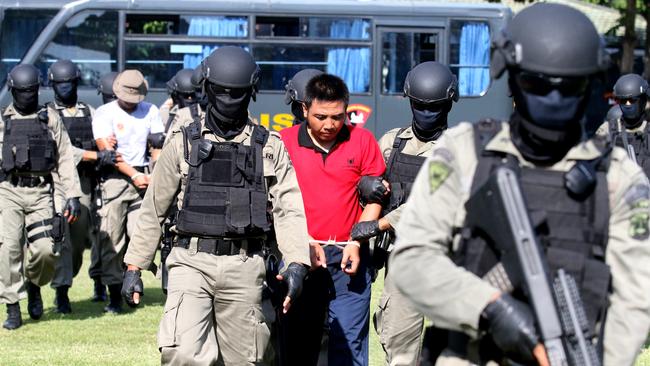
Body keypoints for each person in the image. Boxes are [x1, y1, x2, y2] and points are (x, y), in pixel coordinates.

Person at [390, 4, 650, 365]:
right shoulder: (464, 154)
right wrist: (493, 310)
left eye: (569, 86)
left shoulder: (619, 179)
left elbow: (636, 298)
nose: (554, 99)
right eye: (537, 83)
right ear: (512, 79)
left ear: (589, 86)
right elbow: (411, 260)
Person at [120, 46, 310, 365]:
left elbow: (288, 208)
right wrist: (134, 266)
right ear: (206, 88)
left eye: (236, 93)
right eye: (221, 92)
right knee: (181, 353)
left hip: (245, 263)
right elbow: (155, 207)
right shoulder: (182, 142)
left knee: (249, 359)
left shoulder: (269, 147)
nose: (227, 100)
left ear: (251, 92)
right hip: (190, 261)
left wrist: (296, 262)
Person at [353, 61, 459, 366]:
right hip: (401, 258)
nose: (426, 114)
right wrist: (366, 185)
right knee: (399, 343)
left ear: (448, 104)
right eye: (419, 107)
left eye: (435, 108)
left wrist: (380, 224)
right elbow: (364, 178)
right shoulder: (392, 142)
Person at [279, 73, 386, 366]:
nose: (329, 125)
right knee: (299, 344)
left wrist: (357, 240)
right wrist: (301, 245)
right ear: (304, 109)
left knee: (349, 346)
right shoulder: (282, 142)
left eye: (337, 117)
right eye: (320, 116)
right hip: (301, 258)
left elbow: (376, 195)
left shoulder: (362, 140)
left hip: (349, 258)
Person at [0, 64, 82, 329]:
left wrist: (72, 195)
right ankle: (13, 306)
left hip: (41, 193)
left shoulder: (50, 117)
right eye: (22, 91)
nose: (27, 96)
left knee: (46, 250)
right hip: (9, 191)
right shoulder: (3, 120)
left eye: (31, 91)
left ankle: (34, 284)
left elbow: (65, 158)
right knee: (9, 248)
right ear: (13, 90)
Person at [46, 59, 120, 312]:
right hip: (59, 185)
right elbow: (63, 152)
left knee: (88, 240)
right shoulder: (48, 114)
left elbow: (102, 139)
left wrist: (105, 146)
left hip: (87, 185)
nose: (65, 87)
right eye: (60, 84)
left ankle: (98, 281)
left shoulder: (90, 111)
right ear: (53, 85)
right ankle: (62, 292)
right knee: (64, 242)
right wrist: (94, 156)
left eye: (69, 83)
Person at [92, 69, 164, 313]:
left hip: (144, 177)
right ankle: (113, 294)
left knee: (139, 233)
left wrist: (152, 175)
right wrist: (134, 174)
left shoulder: (151, 111)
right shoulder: (104, 113)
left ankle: (132, 282)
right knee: (112, 238)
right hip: (115, 180)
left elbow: (157, 146)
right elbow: (108, 153)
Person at [596, 73, 650, 173]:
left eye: (632, 100)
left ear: (642, 101)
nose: (628, 104)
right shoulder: (608, 129)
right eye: (623, 101)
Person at [160, 68, 198, 133]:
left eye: (192, 96)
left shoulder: (204, 113)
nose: (189, 98)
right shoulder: (169, 112)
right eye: (186, 96)